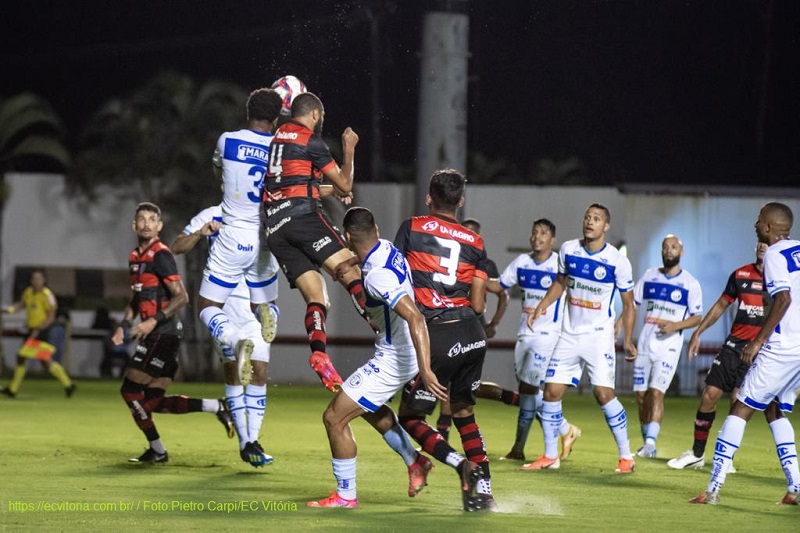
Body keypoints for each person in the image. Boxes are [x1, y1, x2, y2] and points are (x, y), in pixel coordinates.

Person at [307, 207, 448, 509]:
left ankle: (345, 496)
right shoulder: (386, 248)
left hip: (395, 358)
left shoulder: (376, 279)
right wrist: (351, 262)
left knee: (334, 417)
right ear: (377, 229)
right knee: (369, 409)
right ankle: (415, 462)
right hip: (397, 350)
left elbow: (416, 318)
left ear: (347, 237)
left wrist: (425, 370)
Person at [394, 168, 497, 512]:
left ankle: (460, 465)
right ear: (461, 202)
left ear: (429, 198)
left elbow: (395, 278)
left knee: (410, 417)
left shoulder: (411, 228)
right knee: (464, 413)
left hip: (438, 333)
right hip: (472, 331)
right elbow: (480, 303)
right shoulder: (476, 242)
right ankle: (483, 492)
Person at [691, 202, 800, 505]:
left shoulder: (776, 254)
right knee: (774, 410)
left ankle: (713, 488)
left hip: (783, 347)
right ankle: (795, 488)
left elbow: (783, 299)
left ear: (768, 227)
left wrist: (758, 341)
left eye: (758, 221)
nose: (754, 224)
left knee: (740, 407)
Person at [263, 91, 370, 392]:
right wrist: (349, 149)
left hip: (276, 228)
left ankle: (320, 355)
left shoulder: (278, 139)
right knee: (350, 271)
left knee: (318, 298)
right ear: (314, 115)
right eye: (320, 117)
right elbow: (346, 183)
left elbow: (293, 184)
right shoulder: (310, 140)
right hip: (303, 219)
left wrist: (327, 190)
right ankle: (384, 331)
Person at [113, 202, 234, 464]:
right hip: (157, 335)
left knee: (130, 391)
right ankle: (217, 406)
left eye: (151, 219)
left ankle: (157, 450)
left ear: (159, 226)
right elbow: (136, 299)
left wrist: (151, 322)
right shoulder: (135, 258)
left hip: (164, 334)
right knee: (153, 402)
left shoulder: (161, 255)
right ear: (134, 225)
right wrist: (123, 327)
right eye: (141, 219)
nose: (146, 223)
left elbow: (182, 297)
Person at [523, 203, 637, 473]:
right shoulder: (569, 250)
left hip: (598, 338)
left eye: (596, 219)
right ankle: (551, 456)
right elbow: (560, 283)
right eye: (587, 217)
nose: (590, 222)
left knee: (603, 394)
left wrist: (628, 339)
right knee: (550, 392)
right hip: (569, 335)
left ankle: (626, 456)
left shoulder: (617, 260)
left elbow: (629, 304)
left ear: (605, 226)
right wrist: (541, 307)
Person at [173, 203, 278, 467]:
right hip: (225, 303)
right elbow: (178, 245)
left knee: (260, 372)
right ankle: (246, 441)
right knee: (233, 370)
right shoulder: (211, 214)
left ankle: (251, 442)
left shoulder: (266, 213)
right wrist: (200, 233)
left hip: (254, 303)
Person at [197, 88, 282, 392]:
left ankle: (235, 340)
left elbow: (218, 171)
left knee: (207, 306)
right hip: (266, 235)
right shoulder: (278, 147)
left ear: (248, 113)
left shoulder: (227, 140)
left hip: (233, 234)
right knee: (264, 300)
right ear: (274, 119)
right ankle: (271, 312)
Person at [667, 241, 771, 470]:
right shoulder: (741, 274)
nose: (762, 246)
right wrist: (698, 332)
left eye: (767, 243)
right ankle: (696, 454)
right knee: (709, 394)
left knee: (738, 401)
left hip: (759, 351)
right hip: (733, 347)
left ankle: (726, 458)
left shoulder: (781, 281)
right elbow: (721, 305)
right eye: (759, 243)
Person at [484, 218, 581, 462]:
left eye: (544, 233)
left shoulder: (560, 265)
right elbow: (499, 286)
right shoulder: (522, 262)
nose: (537, 237)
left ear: (553, 240)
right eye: (535, 232)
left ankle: (536, 445)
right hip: (525, 334)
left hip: (548, 337)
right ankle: (557, 433)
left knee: (530, 389)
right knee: (527, 393)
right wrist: (472, 277)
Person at [434, 217, 509, 442]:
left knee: (461, 385)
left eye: (471, 233)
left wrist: (493, 323)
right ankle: (445, 433)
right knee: (450, 383)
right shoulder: (448, 261)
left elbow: (501, 294)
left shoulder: (484, 265)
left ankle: (446, 433)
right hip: (451, 324)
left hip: (472, 327)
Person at [630, 235, 703, 458]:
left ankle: (651, 443)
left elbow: (697, 316)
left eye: (673, 247)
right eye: (665, 247)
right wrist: (618, 327)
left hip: (669, 346)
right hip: (644, 342)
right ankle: (647, 445)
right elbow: (631, 304)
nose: (669, 251)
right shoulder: (650, 276)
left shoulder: (690, 283)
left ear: (681, 252)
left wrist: (676, 325)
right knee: (641, 397)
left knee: (656, 393)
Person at [1, 269, 76, 398]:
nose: (36, 281)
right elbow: (21, 304)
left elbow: (51, 317)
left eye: (39, 279)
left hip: (42, 331)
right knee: (45, 361)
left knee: (21, 355)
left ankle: (13, 389)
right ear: (31, 280)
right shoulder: (28, 292)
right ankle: (68, 384)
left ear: (43, 280)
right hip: (32, 330)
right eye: (34, 279)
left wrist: (39, 329)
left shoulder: (47, 296)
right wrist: (8, 309)